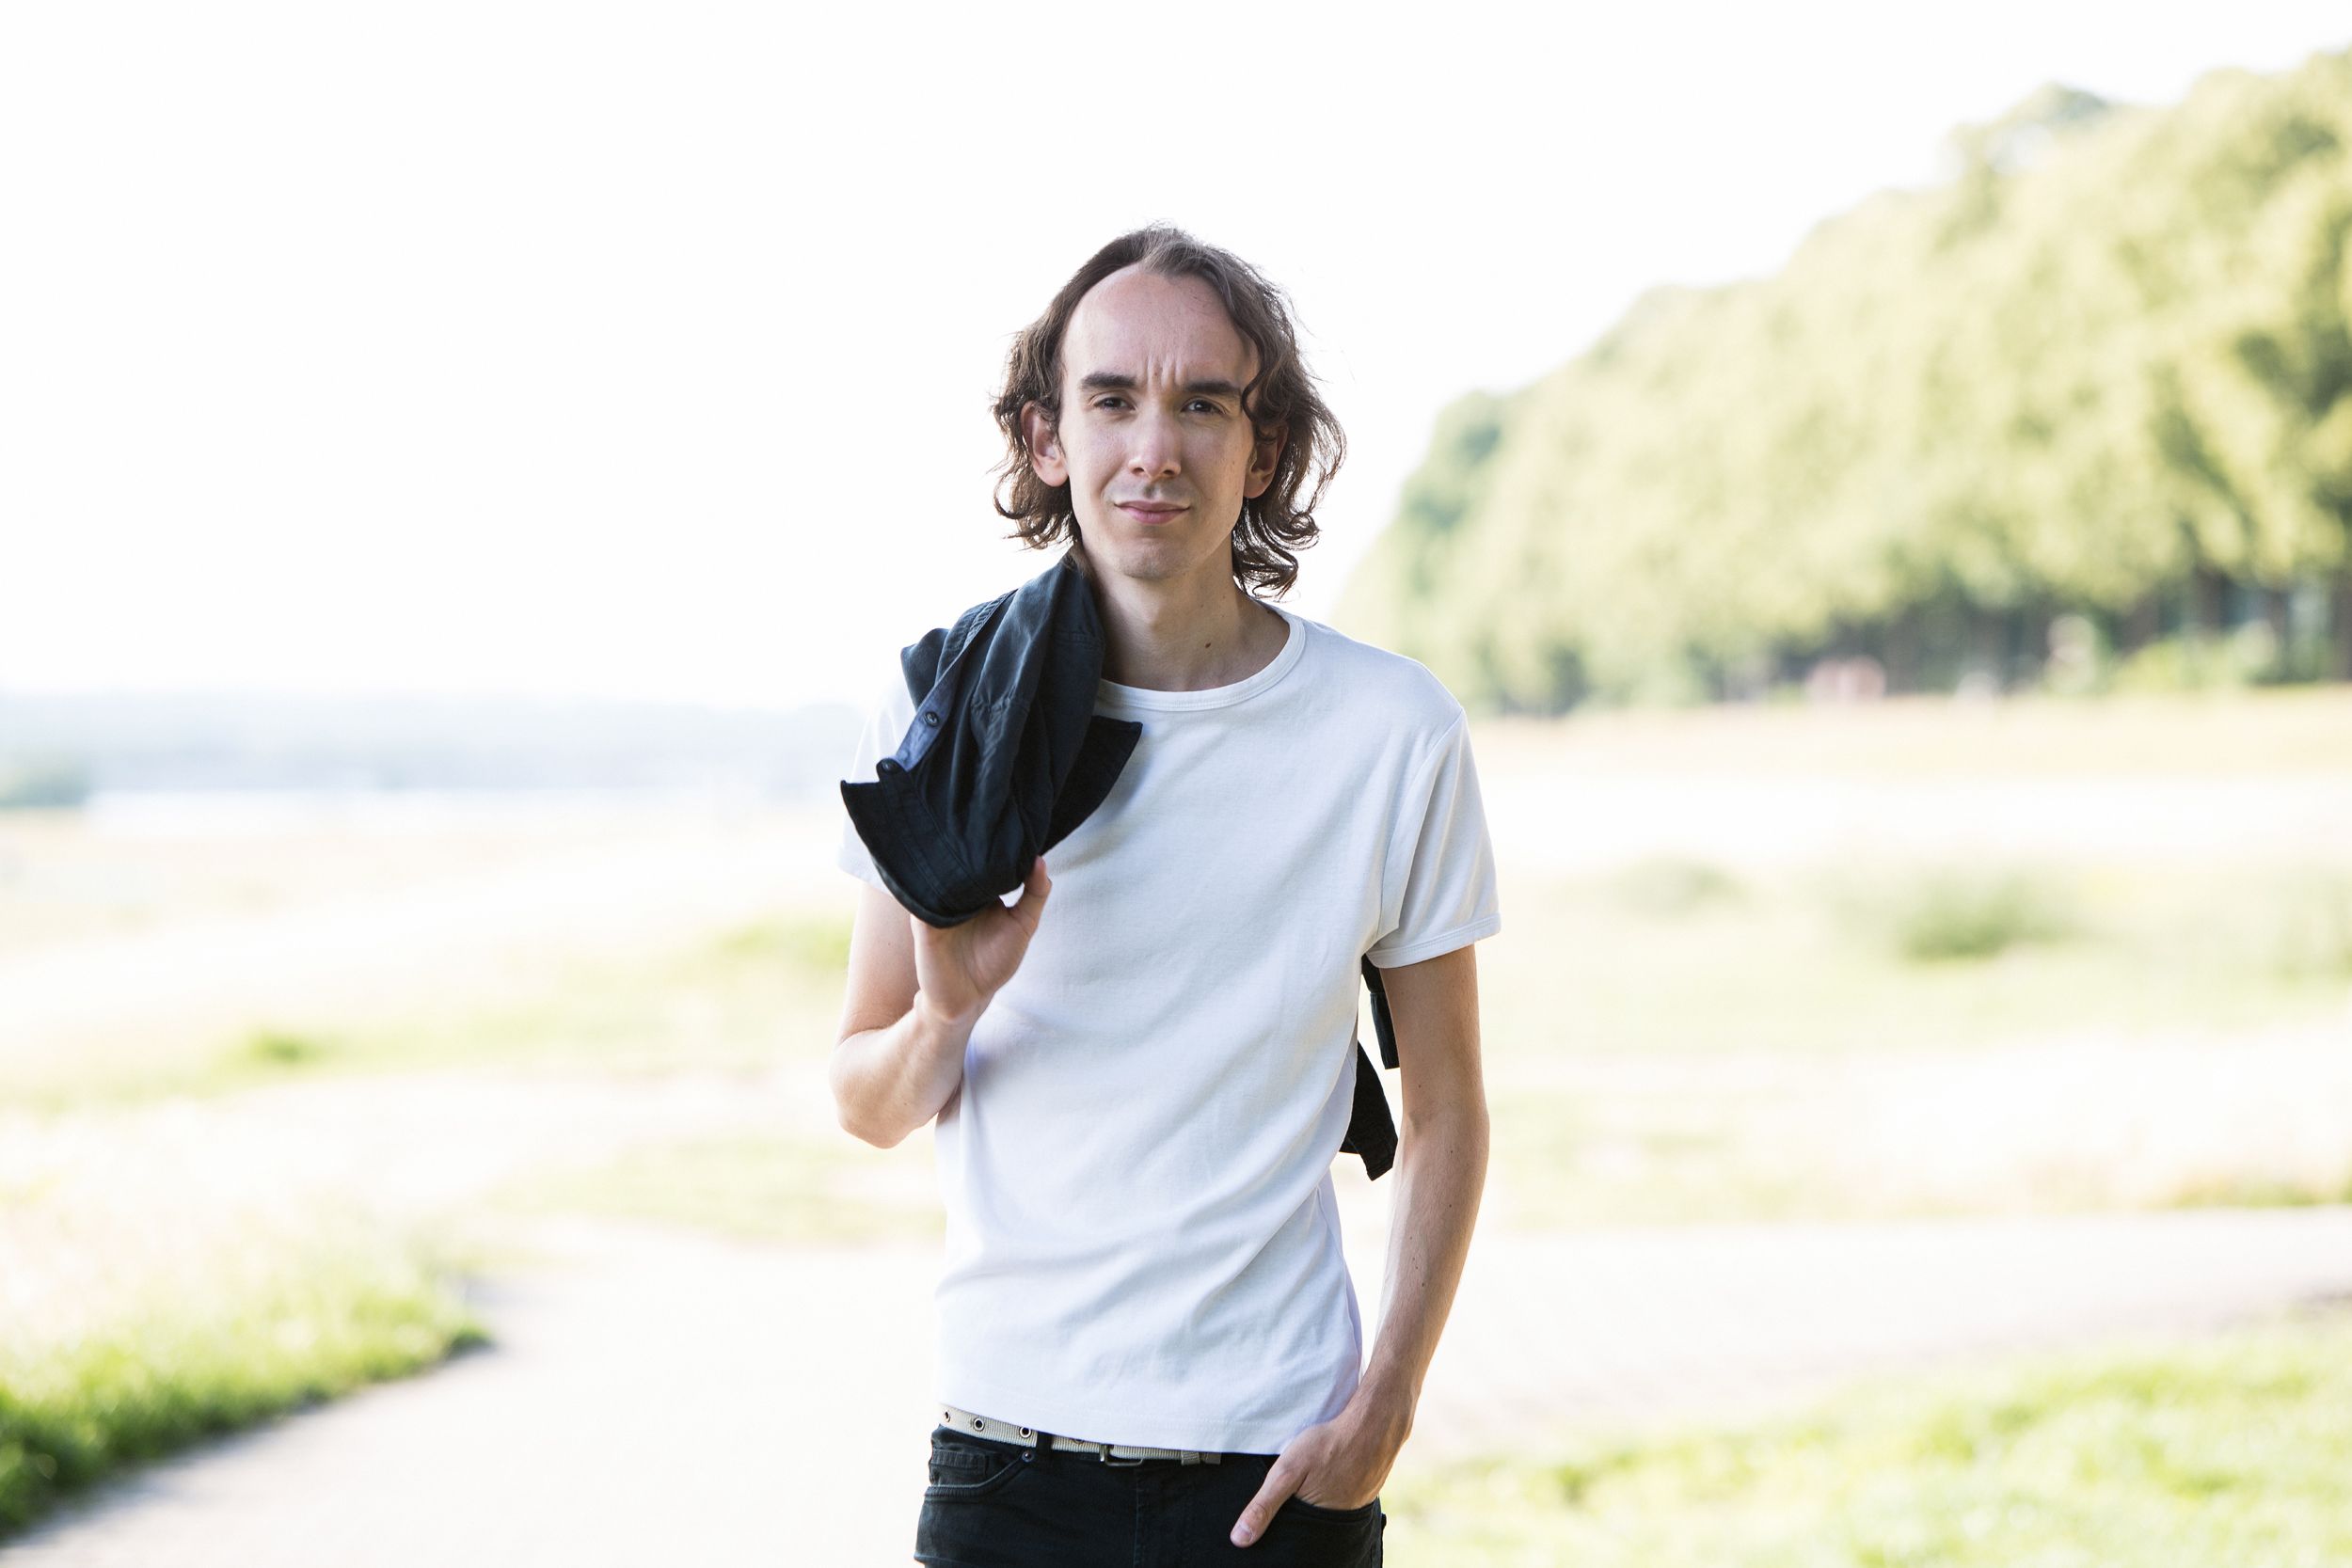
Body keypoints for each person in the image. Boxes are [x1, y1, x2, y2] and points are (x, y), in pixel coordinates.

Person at [832, 225, 1502, 1566]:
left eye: (1204, 404)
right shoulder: (941, 712)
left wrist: (1383, 1411)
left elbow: (1446, 1109)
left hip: (1279, 1474)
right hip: (1008, 1466)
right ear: (1046, 437)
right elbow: (867, 1103)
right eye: (1112, 399)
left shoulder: (1390, 731)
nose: (1156, 448)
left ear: (1264, 447)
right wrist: (946, 1015)